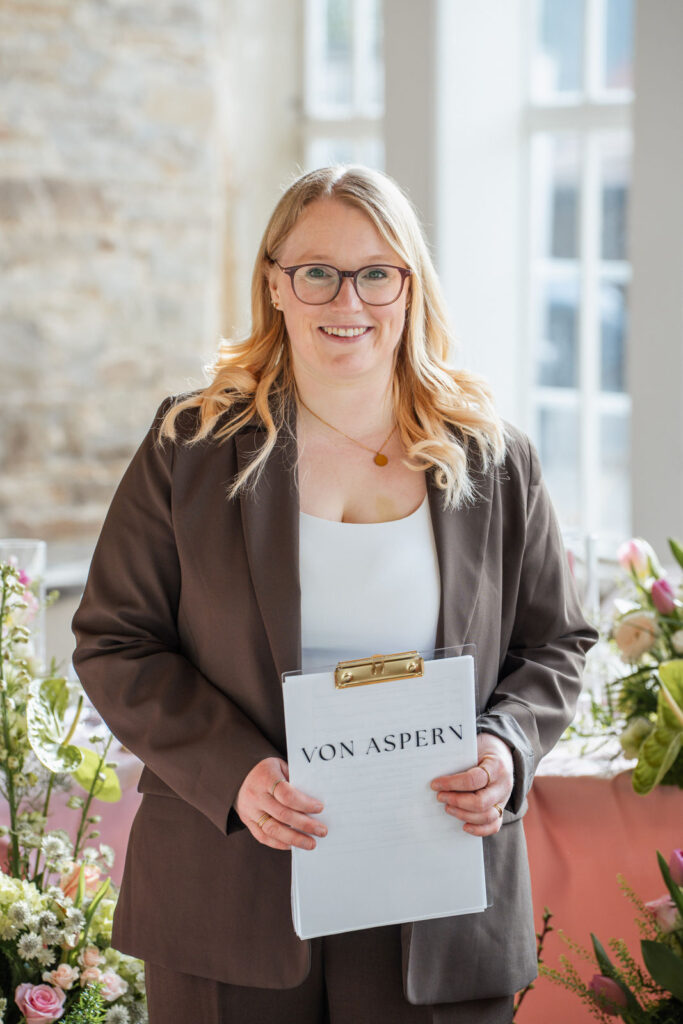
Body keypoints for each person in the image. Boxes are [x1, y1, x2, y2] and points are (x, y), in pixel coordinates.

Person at [71, 164, 598, 1024]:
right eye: (316, 271)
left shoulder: (494, 457)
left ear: (409, 285)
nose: (344, 300)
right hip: (230, 889)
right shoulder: (191, 448)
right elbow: (114, 639)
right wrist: (233, 772)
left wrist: (504, 749)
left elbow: (556, 645)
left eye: (375, 273)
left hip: (438, 895)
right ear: (275, 284)